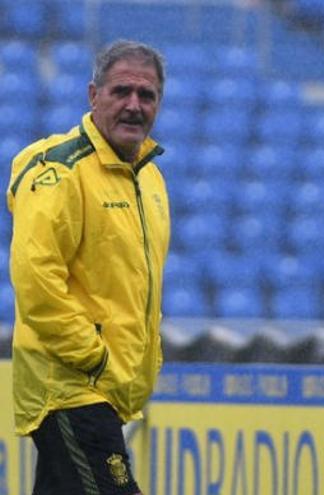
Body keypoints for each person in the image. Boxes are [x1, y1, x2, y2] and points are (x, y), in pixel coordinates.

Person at [6, 39, 168, 494]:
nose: (134, 105)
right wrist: (97, 361)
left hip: (107, 392)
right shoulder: (59, 172)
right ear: (93, 95)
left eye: (147, 95)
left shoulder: (151, 177)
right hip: (70, 389)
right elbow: (36, 284)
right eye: (121, 92)